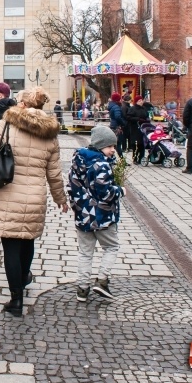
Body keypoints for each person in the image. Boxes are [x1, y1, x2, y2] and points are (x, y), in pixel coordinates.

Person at [0, 87, 68, 317]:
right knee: (27, 240)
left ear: (22, 104)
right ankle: (23, 277)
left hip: (7, 193)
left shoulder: (6, 124)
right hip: (35, 198)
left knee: (10, 245)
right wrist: (61, 199)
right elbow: (54, 174)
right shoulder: (50, 133)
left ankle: (16, 300)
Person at [68, 125, 124, 301]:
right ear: (100, 146)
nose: (112, 150)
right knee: (111, 247)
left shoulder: (78, 160)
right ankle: (102, 281)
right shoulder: (101, 164)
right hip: (102, 216)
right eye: (110, 147)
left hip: (82, 214)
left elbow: (71, 187)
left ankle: (82, 289)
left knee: (85, 253)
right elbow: (105, 193)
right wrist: (120, 191)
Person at [126, 95, 149, 164]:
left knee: (142, 144)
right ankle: (135, 158)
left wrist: (147, 120)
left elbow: (147, 115)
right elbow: (128, 117)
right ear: (136, 102)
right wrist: (138, 119)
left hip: (143, 128)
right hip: (135, 128)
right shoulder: (132, 109)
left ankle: (141, 158)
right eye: (139, 101)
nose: (141, 102)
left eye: (141, 100)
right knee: (136, 144)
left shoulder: (144, 108)